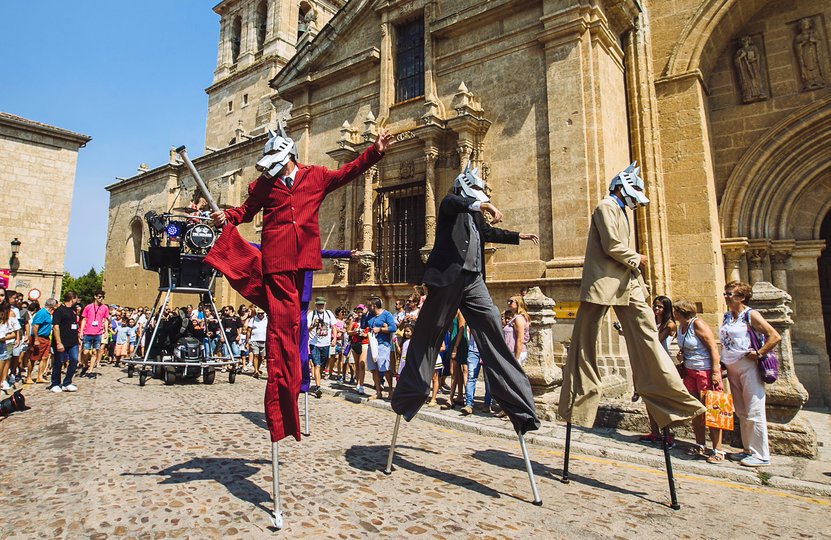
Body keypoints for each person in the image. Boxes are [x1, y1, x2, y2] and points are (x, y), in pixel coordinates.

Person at [207, 125, 393, 442]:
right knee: (282, 330)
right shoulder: (264, 184)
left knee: (295, 326)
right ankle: (280, 408)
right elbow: (245, 211)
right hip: (277, 263)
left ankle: (294, 386)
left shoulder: (317, 176)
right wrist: (228, 218)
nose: (275, 169)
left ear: (290, 157)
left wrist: (375, 151)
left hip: (303, 263)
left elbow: (349, 171)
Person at [392, 162, 541, 435]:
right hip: (447, 280)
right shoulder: (450, 204)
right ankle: (409, 395)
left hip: (473, 281)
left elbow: (488, 233)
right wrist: (481, 206)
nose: (480, 197)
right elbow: (453, 203)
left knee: (494, 327)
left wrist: (518, 236)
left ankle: (517, 403)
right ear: (464, 186)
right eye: (475, 190)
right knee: (428, 336)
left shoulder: (474, 216)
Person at [558, 163, 705, 431]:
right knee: (584, 344)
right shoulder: (605, 206)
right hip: (603, 282)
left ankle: (670, 398)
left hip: (629, 282)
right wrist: (637, 258)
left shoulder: (622, 210)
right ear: (621, 186)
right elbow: (612, 244)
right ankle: (578, 404)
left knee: (648, 336)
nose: (635, 202)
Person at [720, 281, 780, 467]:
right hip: (732, 366)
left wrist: (760, 352)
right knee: (742, 410)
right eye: (726, 293)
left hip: (748, 365)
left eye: (730, 294)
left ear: (742, 297)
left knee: (754, 408)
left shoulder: (750, 314)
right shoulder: (727, 316)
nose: (726, 297)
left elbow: (774, 335)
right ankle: (748, 450)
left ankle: (761, 455)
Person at [673, 299, 725, 464]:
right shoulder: (681, 327)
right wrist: (681, 356)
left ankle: (718, 449)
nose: (673, 313)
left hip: (705, 372)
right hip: (690, 372)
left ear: (681, 311)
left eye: (675, 310)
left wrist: (715, 372)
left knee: (713, 411)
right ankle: (700, 444)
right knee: (696, 410)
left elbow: (713, 348)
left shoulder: (698, 324)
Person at [638, 295, 679, 448]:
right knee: (649, 398)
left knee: (663, 401)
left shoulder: (669, 325)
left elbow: (655, 341)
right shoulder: (653, 323)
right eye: (655, 306)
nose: (656, 309)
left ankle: (668, 435)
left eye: (660, 307)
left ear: (666, 309)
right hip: (650, 362)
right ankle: (655, 432)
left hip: (662, 364)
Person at [365, 298, 396, 400]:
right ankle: (378, 392)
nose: (367, 308)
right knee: (374, 369)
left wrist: (381, 329)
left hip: (383, 344)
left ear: (374, 305)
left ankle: (390, 391)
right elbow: (363, 325)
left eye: (369, 306)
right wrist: (362, 316)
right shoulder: (369, 315)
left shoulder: (386, 314)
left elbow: (393, 328)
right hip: (372, 344)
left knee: (385, 368)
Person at [51, 291, 80, 393]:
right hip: (61, 341)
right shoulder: (59, 311)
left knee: (74, 360)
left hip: (73, 341)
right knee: (59, 362)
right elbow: (55, 327)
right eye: (76, 298)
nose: (77, 300)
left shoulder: (73, 310)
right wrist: (58, 342)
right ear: (72, 298)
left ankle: (67, 382)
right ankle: (55, 383)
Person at [307, 297, 336, 397]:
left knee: (322, 366)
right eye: (319, 305)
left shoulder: (329, 314)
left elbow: (334, 327)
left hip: (326, 343)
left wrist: (334, 338)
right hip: (314, 343)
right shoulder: (311, 315)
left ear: (325, 304)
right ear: (316, 305)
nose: (320, 306)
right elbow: (306, 330)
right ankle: (318, 386)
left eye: (322, 305)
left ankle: (318, 380)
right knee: (317, 365)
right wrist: (313, 325)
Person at [79, 290, 110, 378]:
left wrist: (106, 331)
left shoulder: (104, 308)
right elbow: (84, 319)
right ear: (95, 297)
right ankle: (85, 365)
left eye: (102, 297)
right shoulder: (88, 307)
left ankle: (91, 370)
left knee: (94, 352)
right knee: (85, 352)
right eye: (99, 297)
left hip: (98, 333)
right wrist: (81, 331)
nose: (101, 299)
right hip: (87, 332)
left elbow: (106, 320)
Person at [27, 299, 54, 384]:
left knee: (44, 357)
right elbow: (35, 326)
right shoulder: (42, 313)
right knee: (33, 358)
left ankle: (40, 376)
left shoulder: (48, 314)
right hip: (39, 337)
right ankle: (28, 377)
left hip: (46, 338)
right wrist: (36, 339)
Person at [348, 304, 369, 393]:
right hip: (355, 343)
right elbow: (348, 332)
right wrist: (354, 331)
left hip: (364, 343)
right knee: (356, 364)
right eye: (358, 312)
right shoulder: (353, 321)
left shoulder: (368, 320)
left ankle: (361, 385)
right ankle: (358, 383)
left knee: (362, 364)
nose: (360, 314)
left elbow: (371, 330)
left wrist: (366, 334)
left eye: (361, 312)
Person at [504, 295, 530, 365]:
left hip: (515, 353)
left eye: (511, 302)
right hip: (511, 352)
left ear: (518, 303)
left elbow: (520, 339)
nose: (508, 303)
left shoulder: (519, 318)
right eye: (508, 301)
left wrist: (516, 358)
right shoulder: (515, 317)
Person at [248, 308, 268, 378]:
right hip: (254, 340)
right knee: (255, 355)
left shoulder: (267, 319)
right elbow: (249, 330)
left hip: (264, 340)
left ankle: (258, 369)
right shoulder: (253, 319)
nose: (260, 314)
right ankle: (256, 370)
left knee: (261, 357)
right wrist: (248, 340)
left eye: (262, 313)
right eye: (259, 313)